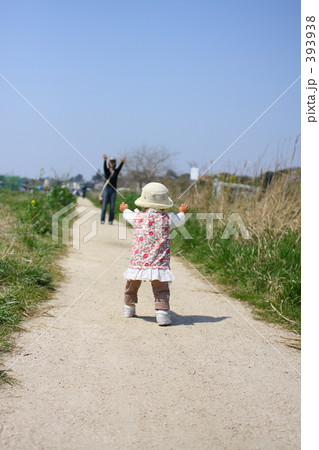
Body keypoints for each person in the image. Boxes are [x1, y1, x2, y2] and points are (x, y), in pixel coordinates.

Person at [120, 182, 190, 326]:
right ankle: (162, 313)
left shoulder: (138, 217)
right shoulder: (168, 219)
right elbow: (180, 220)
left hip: (138, 262)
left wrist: (125, 209)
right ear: (164, 205)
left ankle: (129, 308)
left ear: (143, 204)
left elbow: (128, 215)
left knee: (131, 286)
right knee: (161, 289)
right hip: (159, 263)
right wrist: (182, 212)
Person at [101, 155, 126, 224]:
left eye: (113, 162)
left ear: (115, 163)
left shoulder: (116, 171)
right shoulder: (107, 170)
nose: (112, 163)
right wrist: (105, 160)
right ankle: (102, 219)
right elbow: (104, 167)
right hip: (106, 188)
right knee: (104, 205)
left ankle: (110, 220)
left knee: (112, 206)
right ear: (109, 163)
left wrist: (122, 162)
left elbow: (120, 168)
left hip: (113, 190)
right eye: (111, 161)